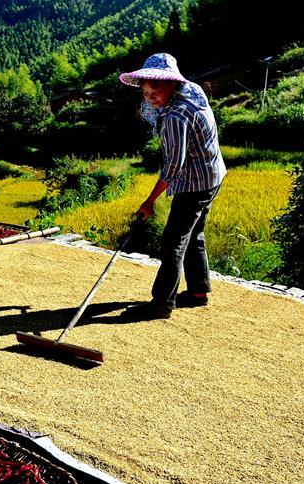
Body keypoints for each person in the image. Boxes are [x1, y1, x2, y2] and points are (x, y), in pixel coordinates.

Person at [118, 53, 226, 320]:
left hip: (195, 183)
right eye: (145, 92)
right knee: (194, 234)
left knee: (172, 242)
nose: (151, 97)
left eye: (156, 90)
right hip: (212, 175)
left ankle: (162, 303)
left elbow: (173, 167)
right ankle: (198, 292)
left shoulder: (176, 117)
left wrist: (149, 201)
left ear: (171, 84)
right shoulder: (192, 91)